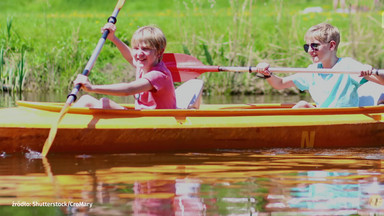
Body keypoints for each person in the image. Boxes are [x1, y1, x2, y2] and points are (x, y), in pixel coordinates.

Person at [255, 23, 384, 108]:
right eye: (307, 46)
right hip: (323, 117)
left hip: (345, 118)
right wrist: (267, 74)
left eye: (315, 46)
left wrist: (370, 71)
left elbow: (382, 82)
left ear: (332, 45)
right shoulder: (312, 71)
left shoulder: (348, 66)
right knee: (302, 105)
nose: (310, 50)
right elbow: (280, 84)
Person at [73, 23, 176, 110]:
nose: (139, 53)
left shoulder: (159, 75)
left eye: (145, 49)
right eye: (136, 48)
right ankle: (65, 126)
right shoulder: (144, 65)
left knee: (104, 103)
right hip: (143, 119)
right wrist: (113, 38)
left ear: (159, 52)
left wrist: (92, 88)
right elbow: (131, 57)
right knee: (86, 100)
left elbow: (128, 89)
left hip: (156, 121)